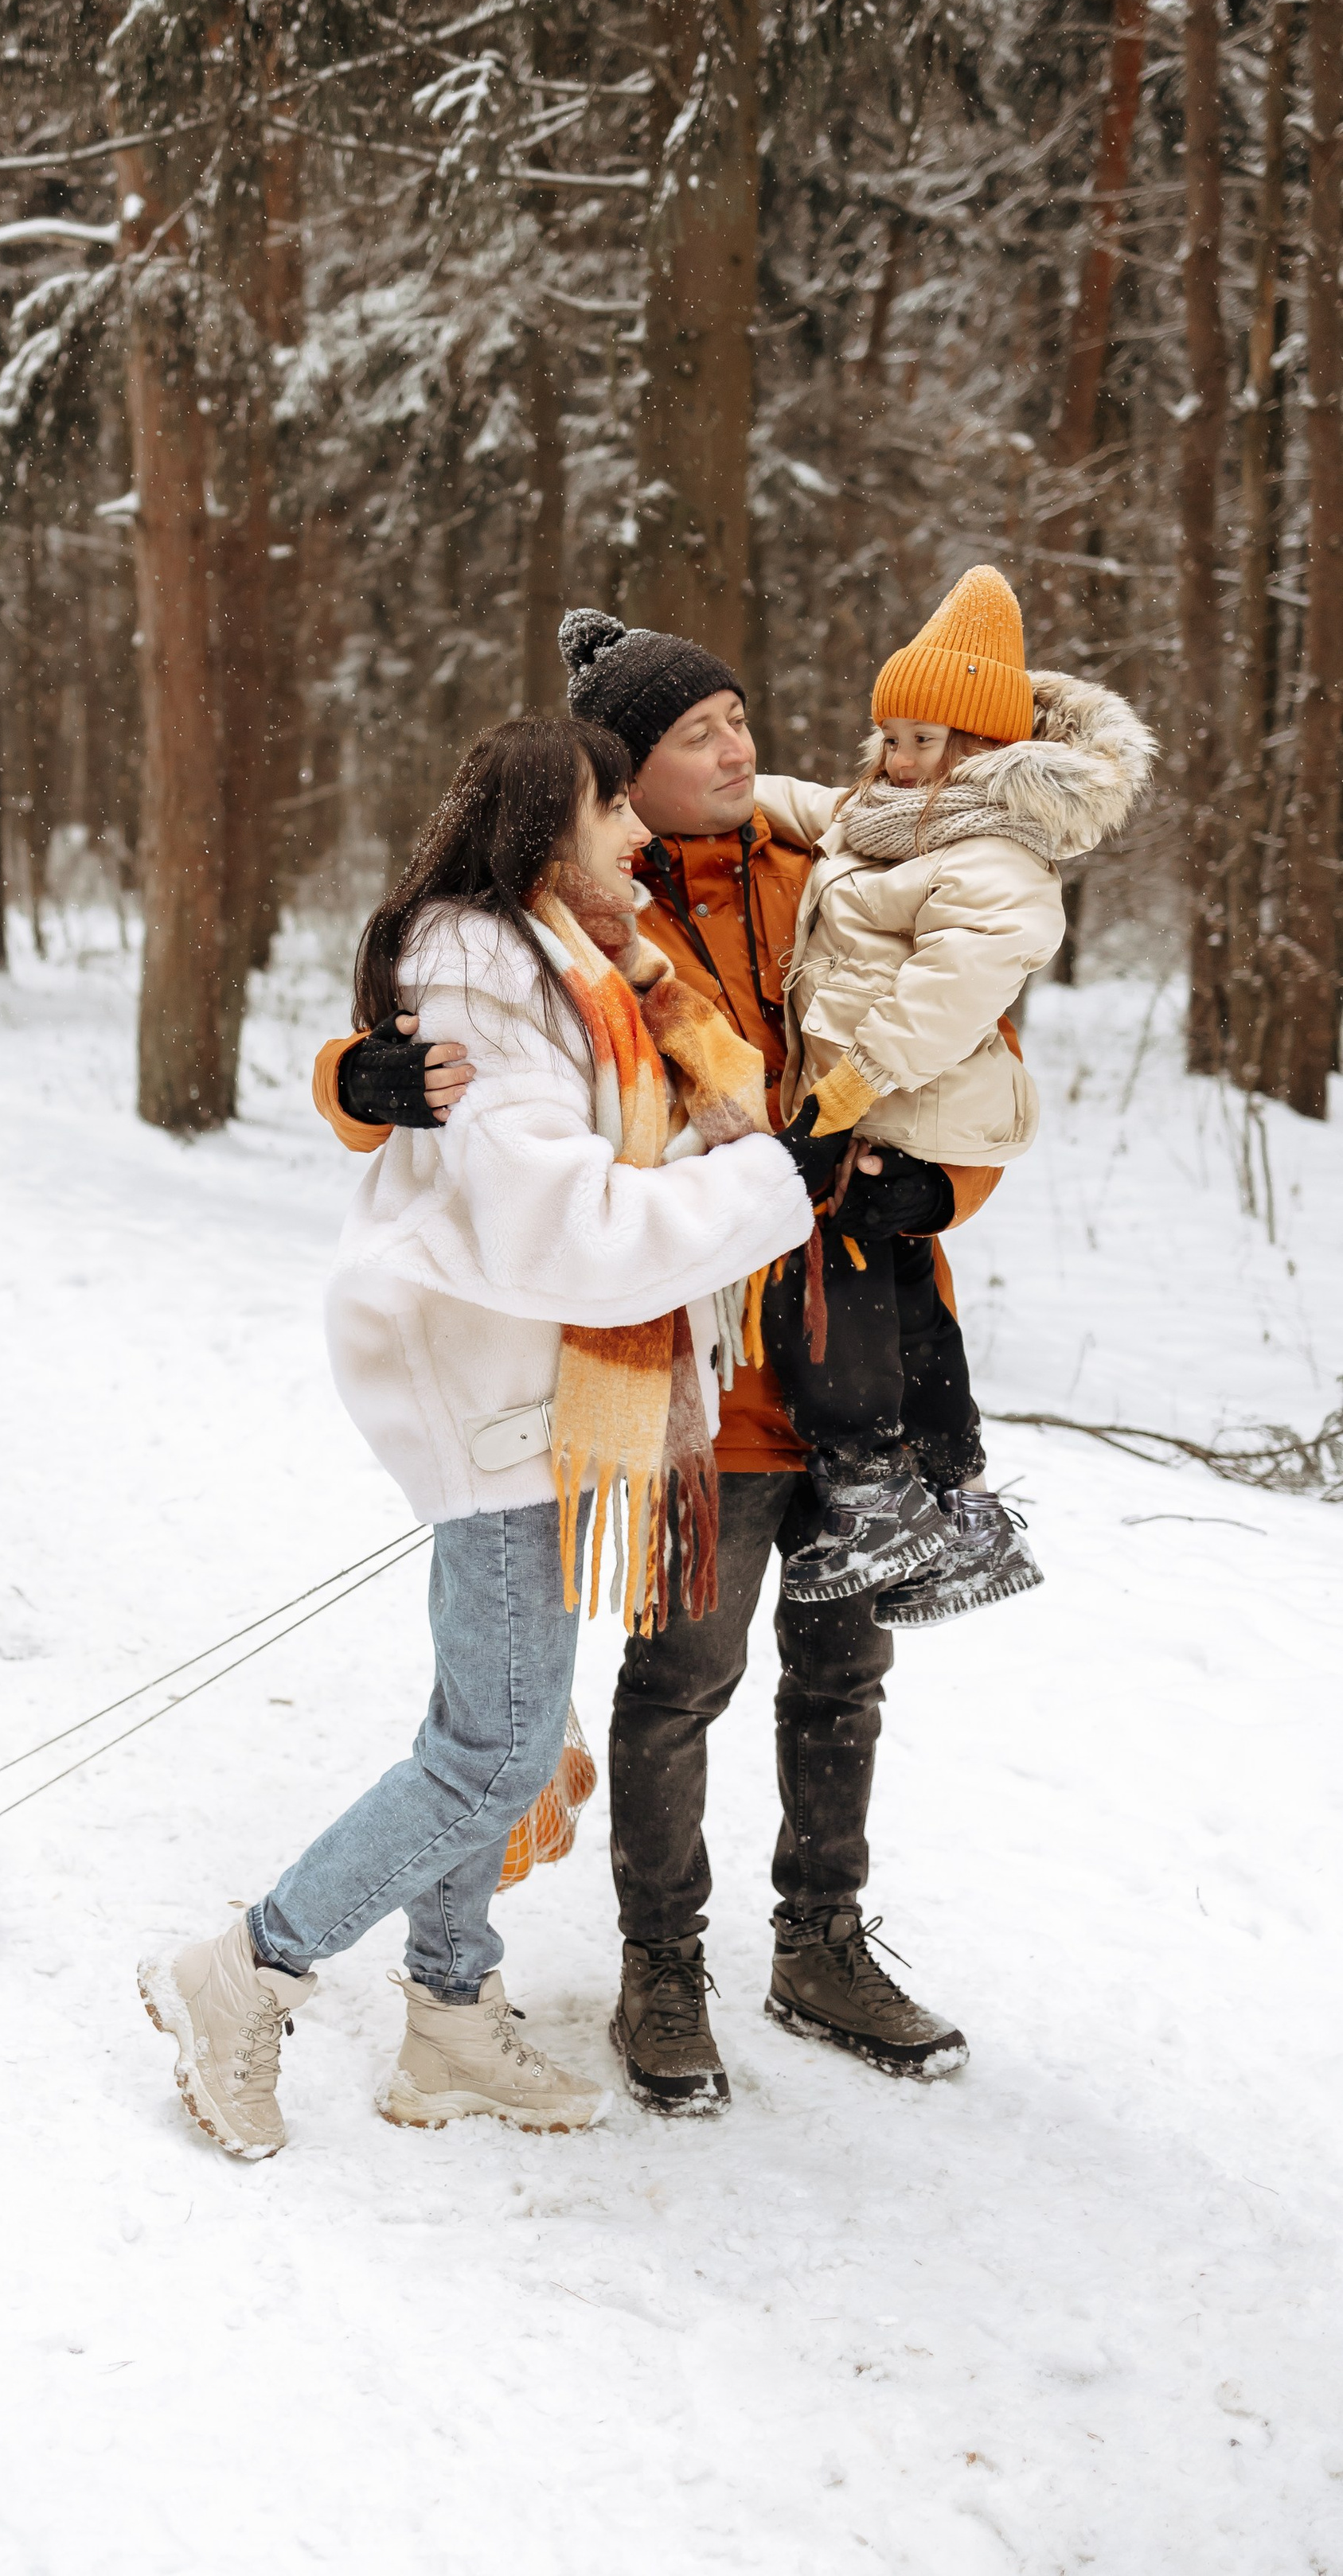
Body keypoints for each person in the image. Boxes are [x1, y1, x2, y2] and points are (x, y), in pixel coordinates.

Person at [314, 616, 1028, 2109]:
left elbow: (974, 1059)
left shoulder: (832, 867)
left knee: (846, 1665)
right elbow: (457, 1062)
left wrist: (937, 1192)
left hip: (870, 1331)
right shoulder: (578, 918)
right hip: (701, 1347)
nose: (744, 751)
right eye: (701, 733)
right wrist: (359, 1082)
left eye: (743, 722)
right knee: (684, 1670)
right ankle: (662, 1965)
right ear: (620, 775)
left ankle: (822, 1937)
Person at [140, 715, 818, 2161]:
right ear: (540, 832)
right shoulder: (489, 972)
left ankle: (450, 2016)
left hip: (542, 1396)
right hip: (499, 1390)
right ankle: (249, 1966)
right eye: (613, 808)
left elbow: (607, 1148)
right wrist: (772, 1183)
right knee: (501, 1750)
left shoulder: (582, 965)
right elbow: (559, 1221)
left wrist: (754, 1154)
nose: (641, 831)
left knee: (487, 1728)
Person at [750, 565, 1155, 1617]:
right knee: (904, 1282)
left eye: (924, 739)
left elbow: (953, 988)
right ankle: (956, 1494)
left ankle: (874, 1484)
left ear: (986, 747)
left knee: (830, 1268)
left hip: (908, 1089)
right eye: (890, 734)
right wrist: (691, 769)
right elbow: (807, 806)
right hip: (884, 1091)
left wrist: (849, 1085)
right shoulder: (888, 814)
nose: (897, 756)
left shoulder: (998, 852)